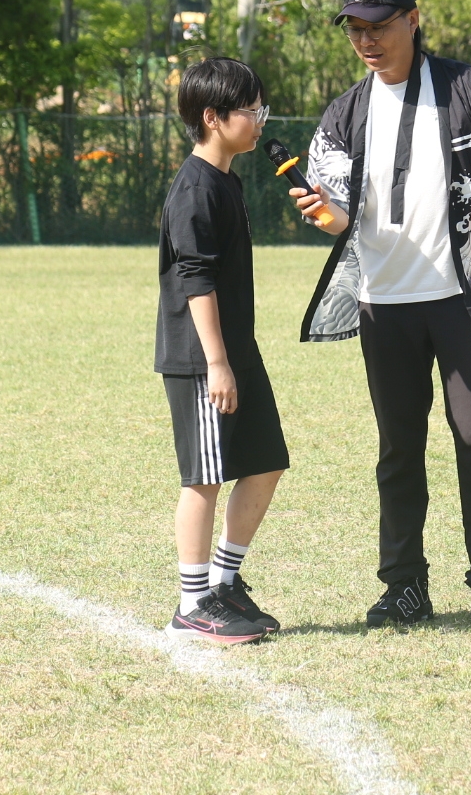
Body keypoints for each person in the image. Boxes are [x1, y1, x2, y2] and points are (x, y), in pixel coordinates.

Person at [287, 0, 471, 634]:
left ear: (413, 19)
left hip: (467, 301)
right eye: (354, 29)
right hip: (383, 304)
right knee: (398, 451)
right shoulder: (343, 115)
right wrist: (324, 215)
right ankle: (404, 588)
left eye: (378, 25)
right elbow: (340, 215)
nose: (366, 40)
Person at [156, 57, 290, 644]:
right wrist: (216, 363)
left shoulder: (226, 179)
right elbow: (196, 280)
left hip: (238, 352)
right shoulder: (194, 189)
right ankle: (192, 604)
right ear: (212, 117)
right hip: (202, 359)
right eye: (251, 110)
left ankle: (223, 583)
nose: (261, 120)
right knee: (204, 477)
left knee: (266, 463)